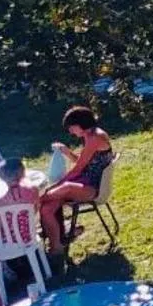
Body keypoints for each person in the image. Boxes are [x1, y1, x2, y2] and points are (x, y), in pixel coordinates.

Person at [37, 107, 115, 258]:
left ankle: (34, 202)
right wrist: (67, 152)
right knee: (47, 208)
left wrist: (58, 186)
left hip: (94, 187)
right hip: (86, 181)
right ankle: (57, 246)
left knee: (63, 188)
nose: (71, 132)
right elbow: (83, 162)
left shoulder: (95, 138)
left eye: (71, 128)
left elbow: (78, 169)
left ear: (80, 124)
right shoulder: (90, 135)